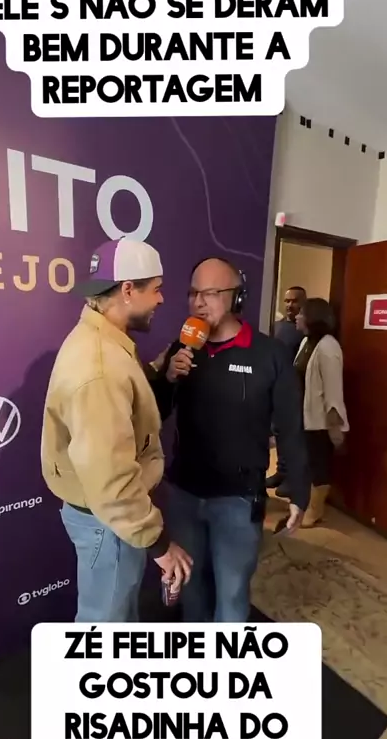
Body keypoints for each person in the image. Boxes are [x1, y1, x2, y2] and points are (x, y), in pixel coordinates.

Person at [149, 257, 310, 623]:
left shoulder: (270, 354)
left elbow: (290, 426)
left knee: (232, 596)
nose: (198, 302)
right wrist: (167, 379)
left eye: (210, 293)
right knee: (192, 590)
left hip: (238, 500)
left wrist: (299, 489)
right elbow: (154, 414)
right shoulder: (181, 348)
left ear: (237, 298)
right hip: (185, 494)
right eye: (193, 293)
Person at [41, 237, 192, 622]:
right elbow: (111, 480)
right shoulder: (100, 367)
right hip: (110, 523)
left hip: (107, 520)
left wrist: (156, 374)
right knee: (105, 628)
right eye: (156, 289)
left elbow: (121, 412)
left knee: (115, 620)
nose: (161, 299)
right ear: (127, 290)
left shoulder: (103, 342)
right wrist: (159, 544)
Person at [276, 298, 349, 530]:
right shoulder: (307, 341)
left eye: (301, 313)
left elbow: (333, 389)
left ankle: (315, 511)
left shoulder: (329, 347)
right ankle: (306, 504)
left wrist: (335, 425)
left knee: (318, 465)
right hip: (303, 415)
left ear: (312, 317)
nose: (297, 317)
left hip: (320, 420)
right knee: (305, 462)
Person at [266, 286, 307, 497]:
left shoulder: (304, 330)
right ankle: (281, 471)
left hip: (295, 390)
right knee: (278, 431)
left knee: (293, 435)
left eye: (294, 301)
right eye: (287, 301)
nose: (290, 305)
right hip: (275, 386)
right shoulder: (277, 326)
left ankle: (292, 478)